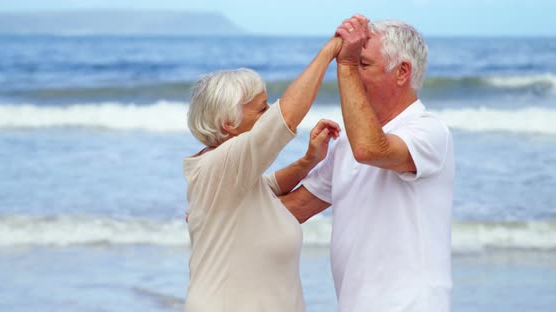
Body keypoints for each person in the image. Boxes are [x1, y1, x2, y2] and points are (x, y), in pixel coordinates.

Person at [281, 15, 455, 312]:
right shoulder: (348, 142)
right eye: (355, 64)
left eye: (364, 65)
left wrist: (346, 65)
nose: (353, 73)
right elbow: (294, 209)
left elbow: (370, 149)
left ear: (402, 72)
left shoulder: (429, 131)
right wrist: (222, 212)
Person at [183, 36, 342, 311]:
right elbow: (283, 120)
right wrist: (330, 52)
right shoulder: (221, 165)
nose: (268, 113)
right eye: (261, 109)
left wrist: (309, 160)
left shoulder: (229, 174)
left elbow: (270, 186)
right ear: (228, 124)